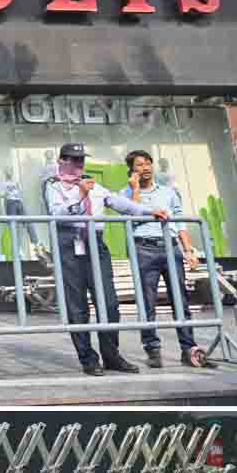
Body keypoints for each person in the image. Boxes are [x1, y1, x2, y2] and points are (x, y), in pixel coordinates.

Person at [43, 142, 170, 377]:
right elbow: (56, 214)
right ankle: (88, 359)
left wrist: (148, 212)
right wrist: (80, 196)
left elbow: (117, 202)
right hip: (70, 245)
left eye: (81, 159)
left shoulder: (94, 183)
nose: (79, 164)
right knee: (77, 307)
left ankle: (111, 356)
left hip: (96, 245)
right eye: (73, 159)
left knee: (109, 303)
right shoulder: (54, 187)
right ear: (61, 161)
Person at [125, 149, 217, 369]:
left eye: (148, 163)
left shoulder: (168, 192)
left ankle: (189, 349)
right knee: (147, 302)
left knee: (180, 299)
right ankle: (153, 350)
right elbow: (130, 215)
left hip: (170, 248)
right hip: (143, 249)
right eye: (139, 165)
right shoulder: (125, 193)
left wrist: (188, 250)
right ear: (132, 169)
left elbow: (180, 222)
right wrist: (135, 189)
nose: (145, 168)